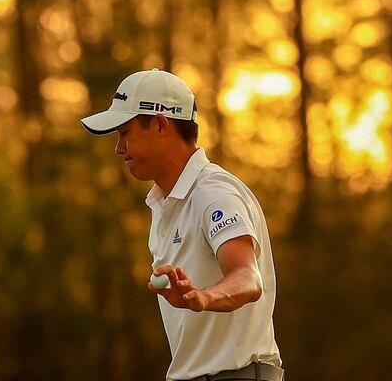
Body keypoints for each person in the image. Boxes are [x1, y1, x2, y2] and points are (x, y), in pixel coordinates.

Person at [81, 68, 283, 381]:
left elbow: (247, 276)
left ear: (160, 124)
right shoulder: (164, 204)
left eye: (124, 134)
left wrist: (204, 297)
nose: (119, 149)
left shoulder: (212, 192)